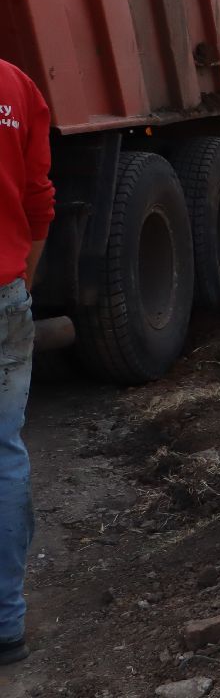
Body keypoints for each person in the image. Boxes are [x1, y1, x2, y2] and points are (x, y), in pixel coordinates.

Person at [0, 57, 53, 666]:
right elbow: (39, 201)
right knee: (3, 452)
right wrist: (20, 288)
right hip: (5, 293)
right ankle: (6, 623)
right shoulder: (17, 86)